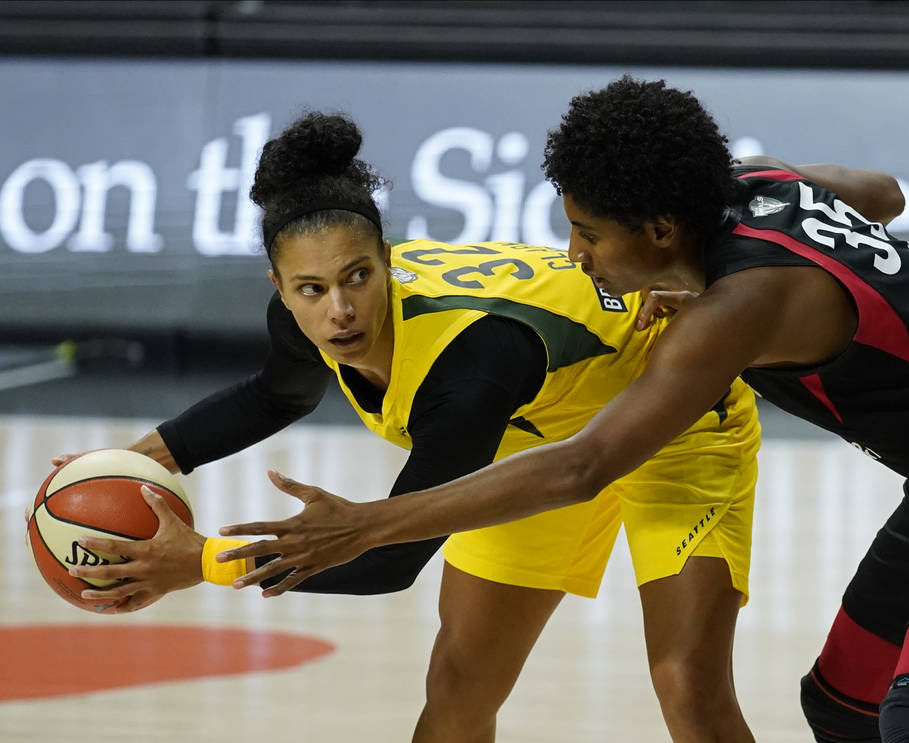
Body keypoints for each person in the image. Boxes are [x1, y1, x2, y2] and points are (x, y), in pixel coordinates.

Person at [218, 78, 909, 743]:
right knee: (842, 707)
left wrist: (368, 524)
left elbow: (582, 466)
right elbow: (885, 194)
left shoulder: (738, 307)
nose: (573, 253)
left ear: (659, 229)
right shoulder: (755, 189)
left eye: (587, 231)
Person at [58, 111, 764, 742]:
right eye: (311, 290)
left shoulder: (471, 365)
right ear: (280, 289)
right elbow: (275, 396)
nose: (339, 310)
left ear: (387, 262)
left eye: (357, 278)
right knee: (459, 686)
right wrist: (132, 461)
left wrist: (202, 561)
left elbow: (389, 558)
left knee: (687, 691)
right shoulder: (311, 320)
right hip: (535, 439)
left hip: (676, 422)